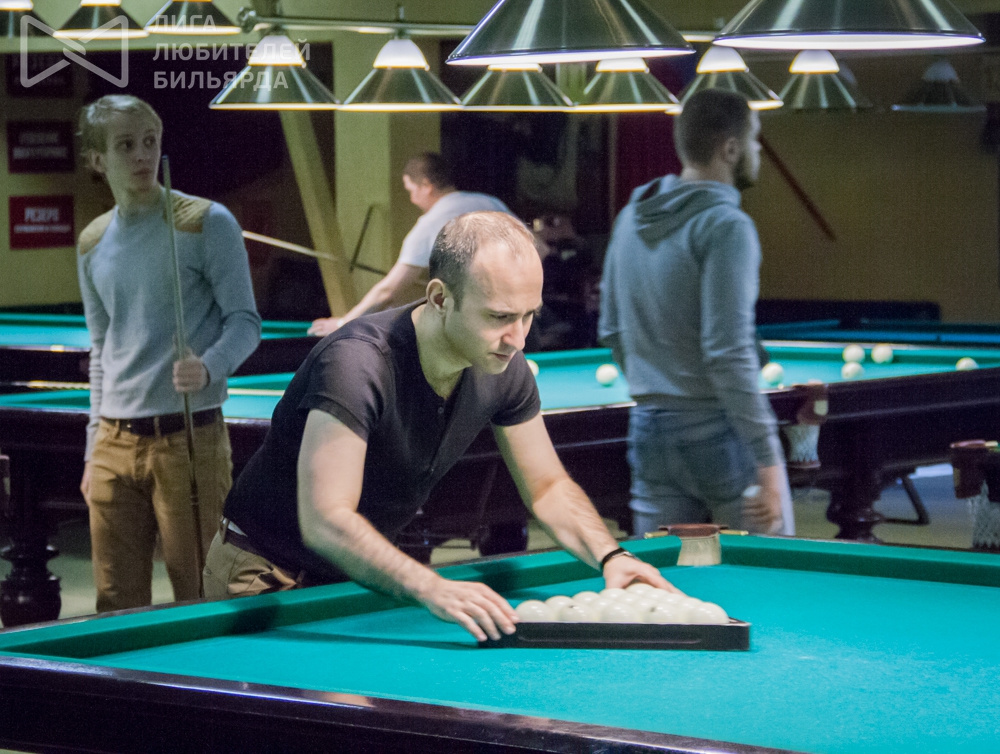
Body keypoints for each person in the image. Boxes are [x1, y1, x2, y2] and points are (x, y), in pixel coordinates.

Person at [206, 211, 675, 642]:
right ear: (439, 298)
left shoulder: (504, 365)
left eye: (528, 314)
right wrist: (432, 586)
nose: (518, 338)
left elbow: (547, 487)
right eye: (499, 316)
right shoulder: (357, 365)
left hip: (353, 578)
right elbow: (326, 519)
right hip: (267, 573)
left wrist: (611, 556)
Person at [76, 95, 262, 612]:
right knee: (115, 602)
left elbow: (246, 322)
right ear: (97, 160)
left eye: (150, 141)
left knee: (200, 595)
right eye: (126, 145)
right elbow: (101, 350)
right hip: (113, 441)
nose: (142, 155)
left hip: (189, 438)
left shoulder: (205, 221)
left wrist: (208, 367)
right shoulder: (91, 241)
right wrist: (93, 449)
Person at [598, 89, 794, 538]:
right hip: (717, 431)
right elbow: (728, 352)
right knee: (764, 568)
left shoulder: (629, 219)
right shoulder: (727, 226)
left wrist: (658, 389)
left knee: (661, 577)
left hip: (647, 429)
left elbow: (611, 330)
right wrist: (769, 460)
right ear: (731, 149)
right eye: (755, 140)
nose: (758, 151)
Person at [308, 153, 510, 336]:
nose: (412, 199)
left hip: (478, 328)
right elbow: (529, 250)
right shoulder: (491, 203)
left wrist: (343, 323)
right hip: (515, 316)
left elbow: (388, 291)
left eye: (411, 190)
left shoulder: (431, 223)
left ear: (426, 185)